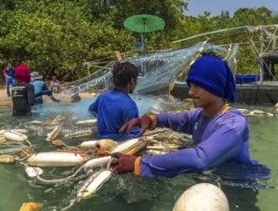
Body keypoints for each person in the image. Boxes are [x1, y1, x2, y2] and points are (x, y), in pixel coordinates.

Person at [111, 55, 259, 177]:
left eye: (197, 86)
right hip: (211, 181)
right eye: (190, 85)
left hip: (237, 187)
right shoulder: (200, 116)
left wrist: (138, 163)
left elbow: (200, 159)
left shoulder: (233, 124)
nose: (190, 92)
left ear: (216, 87)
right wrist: (149, 119)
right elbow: (172, 120)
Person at [88, 61, 140, 141]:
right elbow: (134, 136)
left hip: (98, 141)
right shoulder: (130, 105)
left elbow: (91, 110)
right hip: (115, 145)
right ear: (132, 81)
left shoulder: (102, 97)